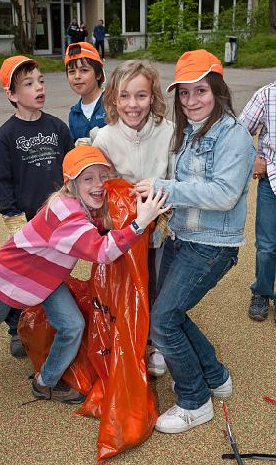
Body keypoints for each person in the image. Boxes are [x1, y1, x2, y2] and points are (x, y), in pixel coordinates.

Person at [0, 146, 170, 403]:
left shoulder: (80, 205)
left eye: (103, 176)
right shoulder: (67, 213)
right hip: (8, 278)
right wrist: (139, 223)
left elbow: (98, 227)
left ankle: (45, 383)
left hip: (44, 279)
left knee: (72, 325)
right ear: (70, 184)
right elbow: (102, 251)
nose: (99, 184)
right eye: (88, 179)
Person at [135, 49, 255, 433]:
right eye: (184, 94)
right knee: (171, 314)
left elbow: (223, 194)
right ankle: (215, 376)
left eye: (200, 91)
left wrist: (164, 188)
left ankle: (194, 401)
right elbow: (189, 186)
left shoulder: (233, 135)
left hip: (211, 246)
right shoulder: (190, 129)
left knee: (164, 321)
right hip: (182, 235)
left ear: (218, 90)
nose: (191, 101)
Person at [92, 59, 175, 377]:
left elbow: (173, 176)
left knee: (157, 283)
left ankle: (155, 342)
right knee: (127, 285)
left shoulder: (168, 132)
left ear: (153, 96)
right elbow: (101, 191)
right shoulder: (105, 138)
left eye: (141, 96)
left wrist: (160, 209)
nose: (132, 104)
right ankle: (127, 335)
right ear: (113, 98)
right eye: (124, 96)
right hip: (124, 230)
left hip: (160, 226)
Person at [0, 55, 74, 358]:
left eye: (40, 80)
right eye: (28, 83)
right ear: (12, 95)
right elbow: (3, 179)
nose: (38, 87)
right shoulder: (6, 135)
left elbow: (72, 171)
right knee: (20, 273)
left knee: (53, 272)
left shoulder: (57, 127)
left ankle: (48, 322)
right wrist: (14, 220)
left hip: (58, 219)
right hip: (27, 222)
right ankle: (16, 326)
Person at [239, 83, 276, 321]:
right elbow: (238, 132)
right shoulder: (267, 94)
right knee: (267, 246)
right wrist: (253, 160)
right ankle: (261, 293)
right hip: (271, 183)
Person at [65, 42, 106, 142]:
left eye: (84, 70)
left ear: (98, 74)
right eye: (71, 72)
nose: (77, 76)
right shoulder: (74, 114)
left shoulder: (113, 104)